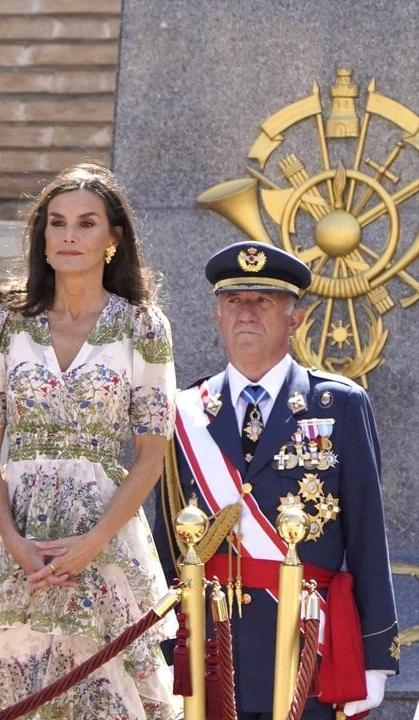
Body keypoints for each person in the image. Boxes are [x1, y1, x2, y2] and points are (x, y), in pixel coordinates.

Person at [0, 162, 180, 719]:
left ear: (114, 238)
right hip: (17, 535)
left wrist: (95, 540)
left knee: (100, 685)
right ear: (41, 236)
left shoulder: (144, 326)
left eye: (86, 223)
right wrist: (14, 541)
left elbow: (150, 455)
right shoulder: (7, 320)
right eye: (57, 222)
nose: (69, 235)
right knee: (9, 688)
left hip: (104, 537)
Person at [154, 241, 400, 718]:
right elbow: (166, 541)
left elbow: (368, 536)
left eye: (262, 301)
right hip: (209, 648)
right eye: (233, 302)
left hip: (306, 642)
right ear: (216, 316)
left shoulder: (338, 405)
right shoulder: (184, 412)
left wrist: (374, 656)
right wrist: (159, 648)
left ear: (296, 319)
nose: (245, 313)